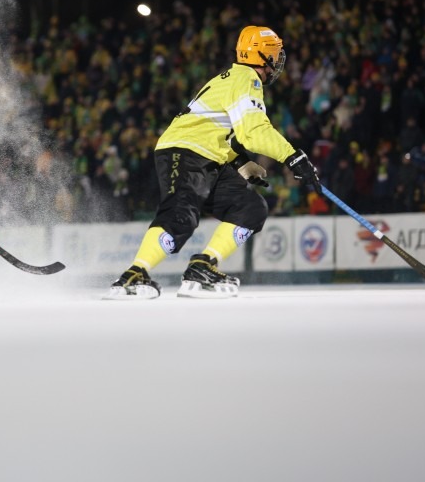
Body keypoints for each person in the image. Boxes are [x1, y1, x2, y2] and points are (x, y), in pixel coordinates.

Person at [104, 26, 321, 300]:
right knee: (181, 214)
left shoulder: (232, 78)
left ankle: (202, 266)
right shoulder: (247, 78)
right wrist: (294, 157)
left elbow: (219, 130)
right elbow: (253, 131)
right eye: (275, 55)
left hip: (206, 155)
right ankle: (133, 276)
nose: (278, 62)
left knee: (250, 208)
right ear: (262, 56)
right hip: (187, 151)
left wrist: (242, 163)